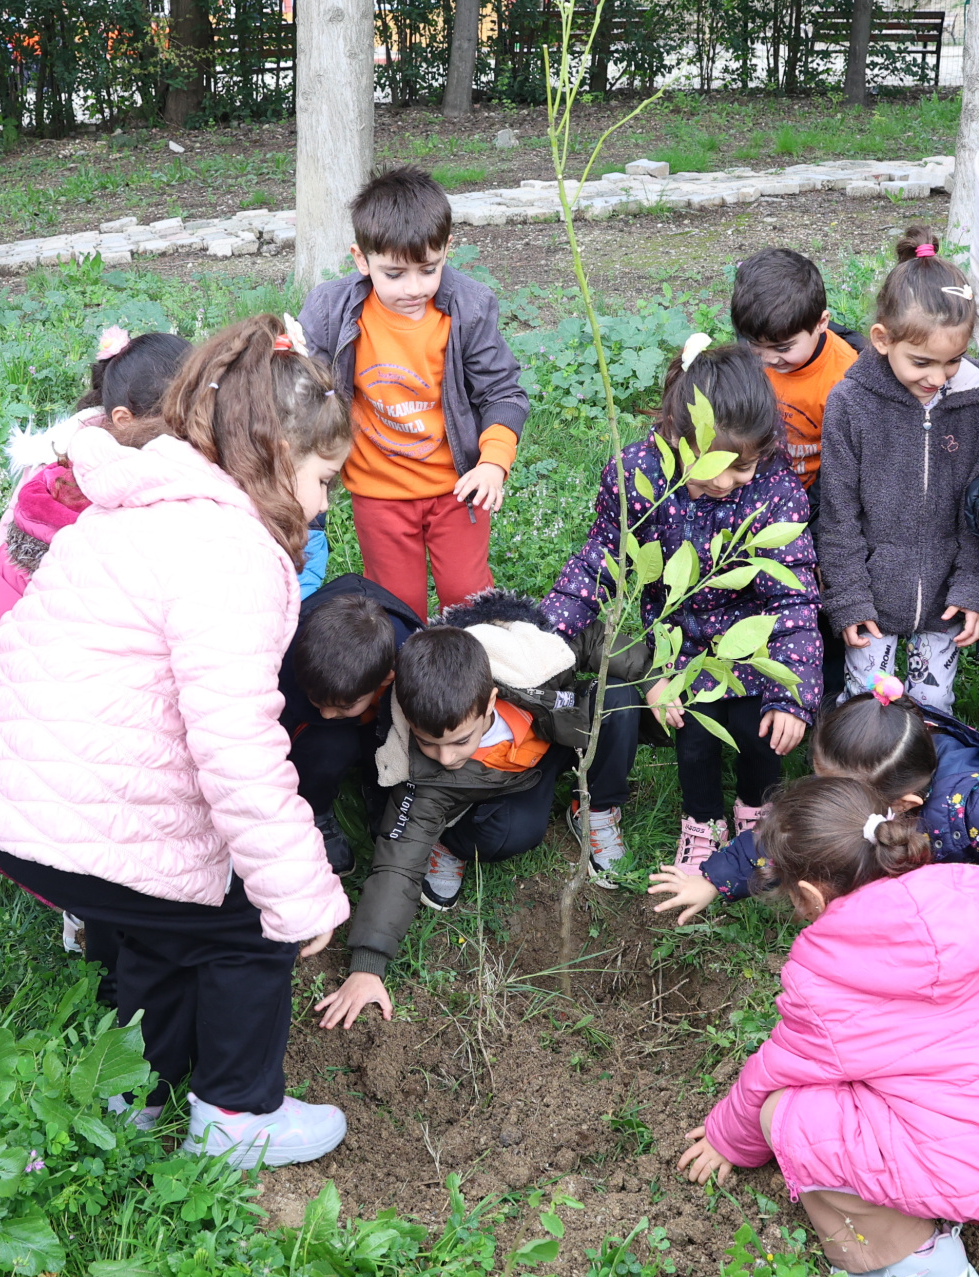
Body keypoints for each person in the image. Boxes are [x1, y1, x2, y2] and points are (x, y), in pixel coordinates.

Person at [0, 315, 353, 1169]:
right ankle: (237, 1118)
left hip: (17, 795)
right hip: (72, 810)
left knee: (171, 916)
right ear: (275, 459)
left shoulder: (153, 499)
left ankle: (140, 1087)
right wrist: (300, 892)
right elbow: (236, 740)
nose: (322, 503)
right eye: (322, 479)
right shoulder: (229, 551)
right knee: (246, 922)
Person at [0, 329, 190, 984]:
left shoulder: (68, 459)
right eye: (179, 429)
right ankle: (90, 917)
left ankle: (81, 908)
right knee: (52, 803)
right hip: (2, 682)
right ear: (127, 422)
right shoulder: (104, 506)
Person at [678, 774, 979, 1277]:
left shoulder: (826, 970)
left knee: (787, 1115)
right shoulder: (964, 886)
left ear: (811, 898)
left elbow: (777, 1070)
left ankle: (919, 1263)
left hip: (960, 1160)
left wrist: (727, 1138)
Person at [540, 340, 822, 875]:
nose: (725, 481)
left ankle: (757, 816)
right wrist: (551, 628)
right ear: (675, 431)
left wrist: (791, 693)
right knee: (692, 730)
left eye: (742, 468)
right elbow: (603, 559)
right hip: (679, 643)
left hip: (754, 643)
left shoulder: (775, 490)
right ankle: (702, 819)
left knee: (760, 733)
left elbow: (793, 599)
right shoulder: (639, 477)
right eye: (713, 465)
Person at [314, 599, 646, 1030]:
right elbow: (397, 862)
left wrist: (663, 679)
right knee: (511, 833)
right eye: (429, 742)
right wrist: (367, 964)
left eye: (459, 740)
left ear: (490, 700)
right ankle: (450, 843)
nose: (445, 756)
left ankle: (595, 808)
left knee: (618, 701)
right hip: (495, 788)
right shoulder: (424, 771)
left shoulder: (530, 662)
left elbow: (590, 638)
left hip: (550, 744)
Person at [298, 166, 530, 623]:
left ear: (447, 249)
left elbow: (502, 392)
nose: (415, 288)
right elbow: (302, 384)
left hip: (458, 489)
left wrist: (493, 463)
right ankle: (404, 687)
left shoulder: (469, 307)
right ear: (361, 260)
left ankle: (470, 688)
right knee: (395, 608)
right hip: (378, 492)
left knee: (469, 602)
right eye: (395, 274)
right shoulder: (331, 309)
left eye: (429, 269)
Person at [649, 672, 979, 922]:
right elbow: (796, 833)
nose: (819, 796)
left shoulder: (968, 813)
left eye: (829, 789)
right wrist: (713, 879)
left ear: (904, 805)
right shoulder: (879, 766)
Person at [819, 226, 979, 715]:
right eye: (922, 362)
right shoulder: (850, 404)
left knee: (933, 707)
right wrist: (848, 599)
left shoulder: (973, 402)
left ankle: (926, 789)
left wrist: (972, 585)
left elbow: (978, 509)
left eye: (953, 361)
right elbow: (838, 513)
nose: (937, 378)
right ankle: (861, 791)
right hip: (871, 598)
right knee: (868, 710)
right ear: (882, 340)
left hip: (946, 599)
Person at [280, 575, 423, 875]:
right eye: (319, 702)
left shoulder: (413, 661)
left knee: (396, 735)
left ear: (387, 678)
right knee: (327, 744)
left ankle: (380, 787)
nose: (329, 713)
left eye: (342, 706)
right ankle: (316, 811)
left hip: (383, 714)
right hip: (322, 729)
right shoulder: (291, 656)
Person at [731, 248, 860, 498]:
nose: (767, 359)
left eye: (783, 348)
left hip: (811, 494)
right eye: (756, 346)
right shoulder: (751, 347)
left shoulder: (845, 377)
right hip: (750, 479)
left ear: (821, 323)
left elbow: (845, 465)